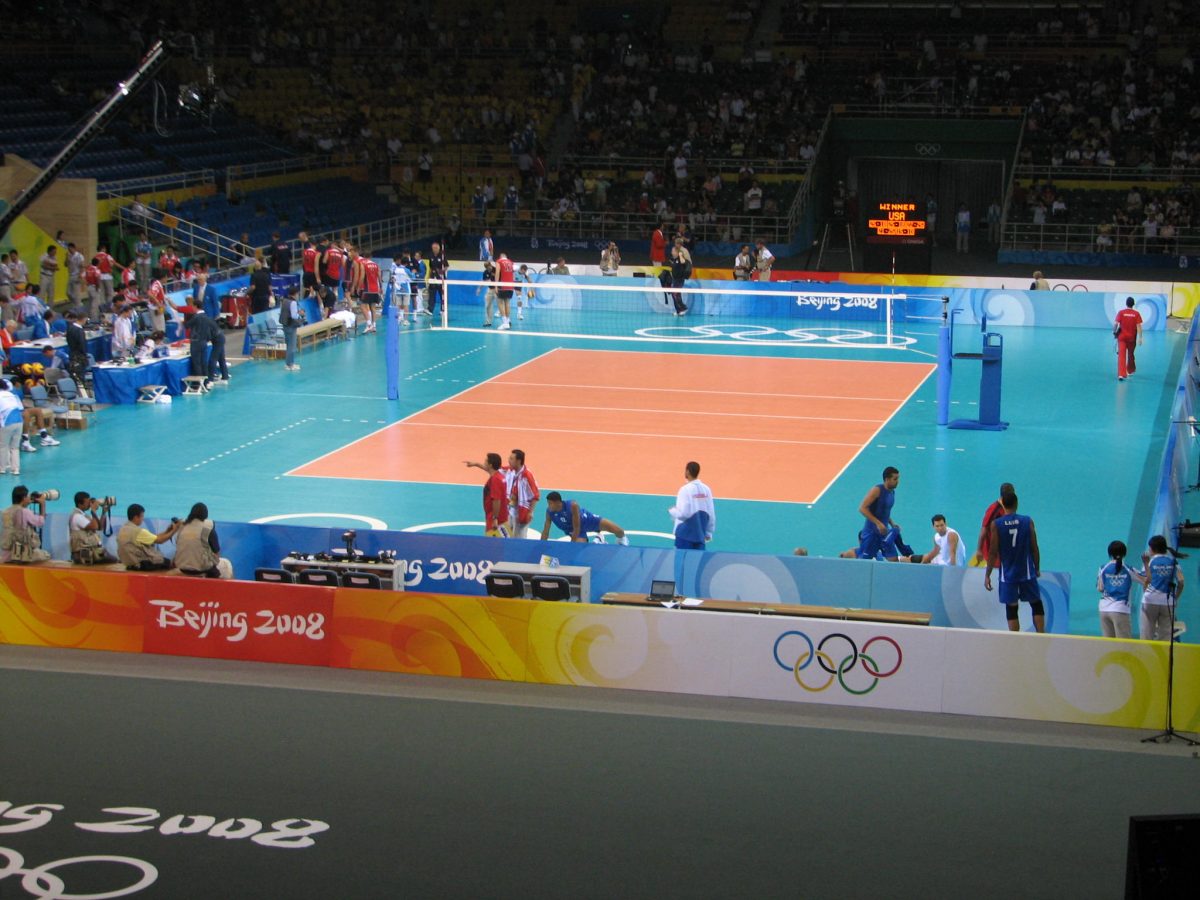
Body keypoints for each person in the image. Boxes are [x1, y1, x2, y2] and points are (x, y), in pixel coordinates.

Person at [984, 490, 1045, 633]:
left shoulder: (997, 524)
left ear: (1003, 505)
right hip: (1027, 571)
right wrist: (1036, 568)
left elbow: (993, 552)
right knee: (1036, 603)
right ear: (1017, 503)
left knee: (1011, 607)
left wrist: (987, 574)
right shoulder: (1027, 521)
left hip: (1008, 574)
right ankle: (1041, 635)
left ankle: (1014, 638)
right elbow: (1034, 547)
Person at [1139, 535, 1185, 641]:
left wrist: (1145, 594)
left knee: (1146, 635)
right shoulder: (1174, 562)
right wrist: (1175, 598)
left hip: (1150, 601)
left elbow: (1146, 580)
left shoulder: (1149, 562)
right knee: (1166, 637)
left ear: (1152, 549)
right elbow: (1181, 582)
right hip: (1168, 602)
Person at [1097, 540, 1146, 639]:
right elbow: (1145, 580)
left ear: (1109, 553)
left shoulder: (1102, 568)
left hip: (1103, 610)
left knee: (1108, 646)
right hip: (1120, 610)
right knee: (1124, 645)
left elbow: (1100, 588)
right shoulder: (1128, 569)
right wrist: (1146, 565)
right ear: (1124, 553)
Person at [540, 491, 629, 544]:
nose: (549, 506)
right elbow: (546, 531)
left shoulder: (572, 505)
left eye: (550, 503)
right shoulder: (549, 512)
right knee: (579, 549)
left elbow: (577, 527)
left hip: (587, 521)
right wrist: (541, 545)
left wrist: (571, 544)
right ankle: (598, 541)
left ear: (558, 503)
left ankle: (621, 540)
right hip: (572, 530)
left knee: (619, 531)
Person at [173, 502, 233, 578]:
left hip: (182, 567)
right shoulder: (208, 529)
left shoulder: (181, 528)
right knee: (227, 564)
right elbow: (217, 553)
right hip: (202, 569)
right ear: (205, 515)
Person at [853, 466, 901, 560]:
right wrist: (878, 523)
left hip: (884, 533)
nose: (897, 481)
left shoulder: (892, 492)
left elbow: (885, 511)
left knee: (894, 559)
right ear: (887, 479)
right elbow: (862, 508)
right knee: (864, 562)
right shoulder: (877, 490)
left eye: (898, 478)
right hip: (871, 533)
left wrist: (892, 523)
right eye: (895, 479)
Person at [118, 503, 182, 570]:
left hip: (130, 563)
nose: (143, 519)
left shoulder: (123, 529)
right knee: (168, 563)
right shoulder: (138, 532)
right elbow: (160, 540)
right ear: (136, 517)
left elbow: (154, 538)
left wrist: (167, 531)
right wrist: (175, 530)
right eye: (142, 516)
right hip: (141, 564)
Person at [670, 461, 715, 549]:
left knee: (682, 562)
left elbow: (683, 514)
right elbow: (711, 513)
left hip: (684, 535)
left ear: (687, 471)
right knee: (697, 562)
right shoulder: (706, 489)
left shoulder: (685, 490)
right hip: (700, 535)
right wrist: (709, 532)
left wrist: (672, 511)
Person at [0, 485, 50, 562]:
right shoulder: (25, 512)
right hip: (21, 554)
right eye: (28, 496)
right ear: (24, 498)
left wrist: (26, 504)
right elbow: (41, 522)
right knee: (46, 555)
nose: (29, 498)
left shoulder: (4, 512)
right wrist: (42, 504)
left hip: (6, 554)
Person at [464, 454, 509, 536]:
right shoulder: (499, 475)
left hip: (495, 520)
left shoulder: (495, 480)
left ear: (490, 465)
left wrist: (495, 519)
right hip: (502, 517)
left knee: (492, 545)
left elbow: (496, 500)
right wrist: (476, 464)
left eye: (485, 461)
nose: (484, 462)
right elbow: (487, 469)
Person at [972, 481, 1015, 566]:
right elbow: (984, 529)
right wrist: (979, 550)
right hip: (992, 553)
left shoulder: (1009, 507)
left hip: (1004, 551)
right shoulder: (994, 509)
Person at [69, 491, 116, 564]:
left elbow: (99, 527)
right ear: (80, 504)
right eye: (87, 502)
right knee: (113, 560)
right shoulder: (77, 516)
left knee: (112, 558)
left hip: (89, 551)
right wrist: (93, 510)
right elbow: (94, 526)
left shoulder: (84, 515)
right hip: (82, 554)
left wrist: (103, 512)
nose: (89, 504)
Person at [503, 448, 540, 538]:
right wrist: (477, 465)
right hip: (510, 510)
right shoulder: (510, 470)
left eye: (511, 458)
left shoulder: (527, 476)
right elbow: (494, 470)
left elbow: (535, 496)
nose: (509, 460)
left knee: (519, 540)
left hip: (522, 512)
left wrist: (530, 512)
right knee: (505, 535)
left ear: (518, 461)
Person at [350, 250, 382, 334]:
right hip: (376, 289)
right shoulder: (376, 265)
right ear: (371, 257)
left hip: (367, 289)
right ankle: (374, 325)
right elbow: (379, 277)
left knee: (362, 305)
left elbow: (362, 277)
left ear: (364, 257)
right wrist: (381, 288)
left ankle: (368, 324)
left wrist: (358, 287)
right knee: (373, 308)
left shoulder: (363, 264)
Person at [1114, 296, 1143, 381]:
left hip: (1122, 337)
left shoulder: (1121, 312)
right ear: (1133, 304)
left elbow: (1116, 324)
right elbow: (1139, 327)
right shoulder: (1136, 314)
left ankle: (1121, 374)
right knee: (1130, 354)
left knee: (1121, 356)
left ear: (1126, 303)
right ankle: (1130, 370)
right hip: (1131, 338)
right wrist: (1140, 338)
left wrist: (1114, 332)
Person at [0, 379, 24, 476]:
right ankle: (16, 469)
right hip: (19, 422)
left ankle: (2, 468)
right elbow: (21, 409)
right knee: (15, 447)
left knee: (3, 446)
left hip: (7, 422)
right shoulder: (12, 395)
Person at [280, 286, 304, 371]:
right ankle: (291, 364)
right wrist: (300, 314)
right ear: (295, 294)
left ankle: (288, 363)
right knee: (292, 346)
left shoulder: (285, 300)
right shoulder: (293, 303)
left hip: (285, 325)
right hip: (291, 326)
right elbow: (294, 316)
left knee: (289, 344)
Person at [389, 253, 412, 326]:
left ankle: (398, 319)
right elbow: (412, 278)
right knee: (406, 305)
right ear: (407, 263)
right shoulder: (407, 270)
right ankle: (405, 320)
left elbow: (392, 278)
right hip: (406, 290)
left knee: (398, 305)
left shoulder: (395, 269)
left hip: (398, 289)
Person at [426, 241, 447, 316]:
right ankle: (430, 310)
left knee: (442, 295)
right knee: (432, 294)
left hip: (440, 278)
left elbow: (446, 266)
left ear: (439, 248)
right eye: (433, 248)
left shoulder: (442, 256)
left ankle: (443, 309)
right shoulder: (430, 256)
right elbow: (430, 268)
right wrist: (429, 277)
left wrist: (442, 271)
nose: (434, 249)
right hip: (433, 277)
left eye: (435, 248)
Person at [495, 252, 515, 330]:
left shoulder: (499, 261)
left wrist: (496, 285)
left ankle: (505, 323)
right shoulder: (510, 262)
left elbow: (497, 273)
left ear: (500, 257)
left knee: (500, 302)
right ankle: (507, 320)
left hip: (502, 285)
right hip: (510, 285)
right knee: (507, 302)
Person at [669, 245, 690, 315]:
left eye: (673, 251)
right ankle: (678, 310)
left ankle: (683, 308)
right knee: (674, 295)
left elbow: (683, 263)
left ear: (676, 252)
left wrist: (680, 255)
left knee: (676, 294)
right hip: (674, 280)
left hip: (679, 280)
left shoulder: (680, 258)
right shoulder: (674, 259)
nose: (671, 252)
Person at [480, 259, 498, 327]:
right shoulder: (485, 272)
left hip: (497, 290)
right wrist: (479, 289)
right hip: (490, 290)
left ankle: (507, 321)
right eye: (487, 267)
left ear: (491, 265)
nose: (488, 268)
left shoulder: (496, 269)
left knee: (501, 306)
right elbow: (484, 281)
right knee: (487, 306)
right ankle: (488, 321)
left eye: (489, 266)